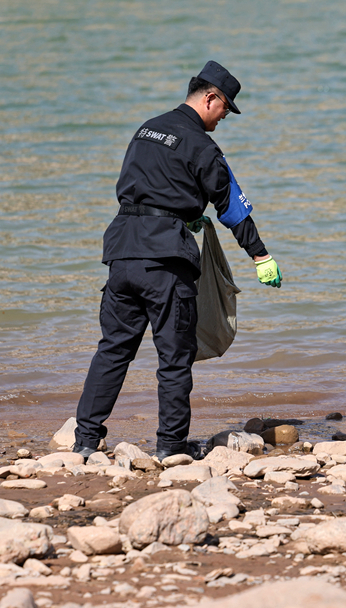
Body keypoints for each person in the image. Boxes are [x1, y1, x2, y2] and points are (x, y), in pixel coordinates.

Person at [72, 61, 282, 461]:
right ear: (210, 98)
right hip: (166, 260)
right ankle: (171, 447)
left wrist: (184, 212)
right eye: (225, 109)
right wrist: (260, 255)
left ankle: (84, 440)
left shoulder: (146, 128)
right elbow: (232, 205)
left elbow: (143, 188)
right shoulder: (201, 144)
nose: (224, 119)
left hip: (121, 252)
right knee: (174, 359)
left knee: (113, 349)